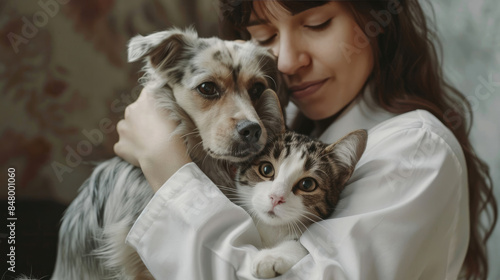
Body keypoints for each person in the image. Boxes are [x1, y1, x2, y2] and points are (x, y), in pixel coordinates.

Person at [114, 0, 498, 279]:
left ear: (378, 20)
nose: (285, 61)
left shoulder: (415, 149)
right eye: (264, 36)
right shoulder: (289, 133)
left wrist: (168, 168)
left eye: (316, 24)